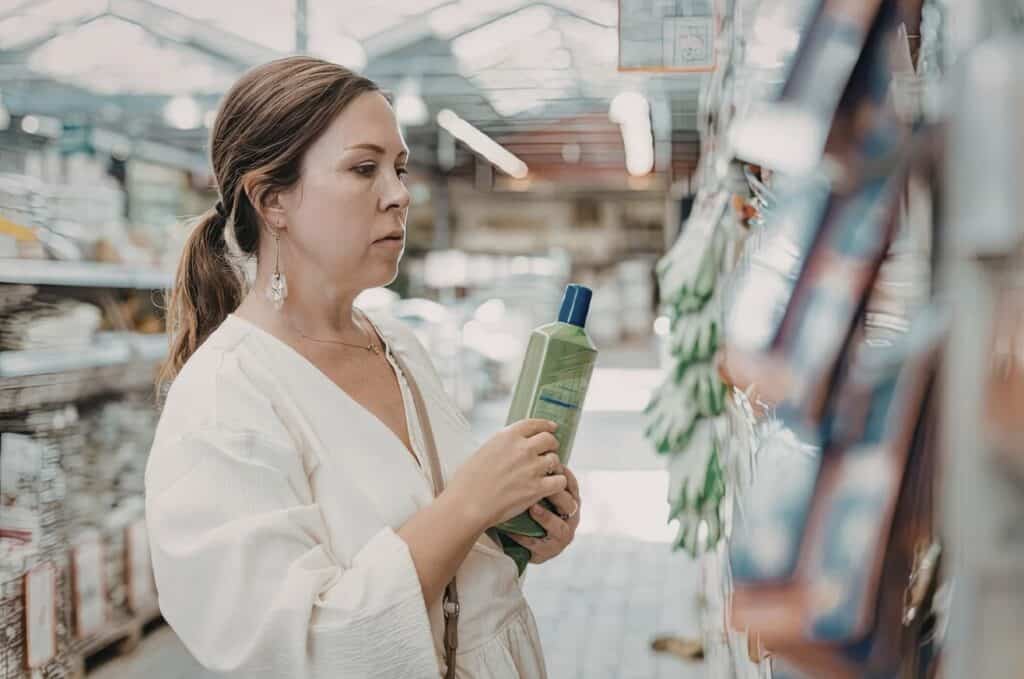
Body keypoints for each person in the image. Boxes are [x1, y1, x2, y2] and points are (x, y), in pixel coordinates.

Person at [145, 56, 582, 679]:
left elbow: (453, 565)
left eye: (399, 169)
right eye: (363, 168)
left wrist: (518, 528)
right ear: (272, 201)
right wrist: (466, 504)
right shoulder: (226, 398)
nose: (400, 193)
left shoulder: (397, 345)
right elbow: (303, 649)